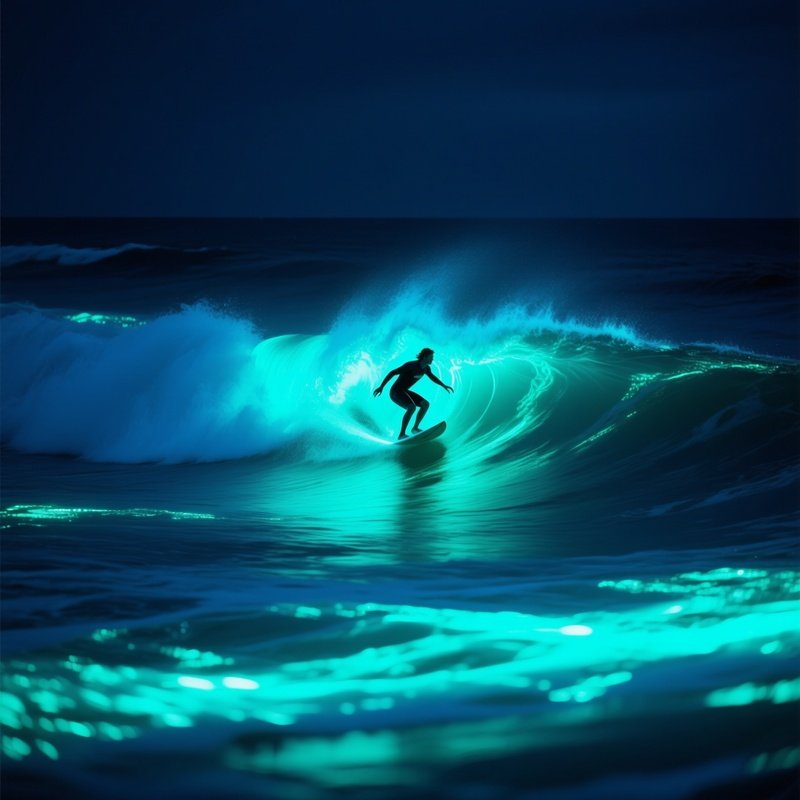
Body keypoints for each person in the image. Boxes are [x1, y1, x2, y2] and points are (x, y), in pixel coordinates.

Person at [373, 348, 454, 439]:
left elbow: (432, 377)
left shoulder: (426, 368)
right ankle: (401, 434)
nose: (432, 359)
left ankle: (415, 428)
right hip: (395, 392)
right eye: (431, 357)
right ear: (424, 357)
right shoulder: (411, 365)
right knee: (411, 407)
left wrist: (444, 385)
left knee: (425, 404)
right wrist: (381, 387)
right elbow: (393, 372)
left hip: (404, 391)